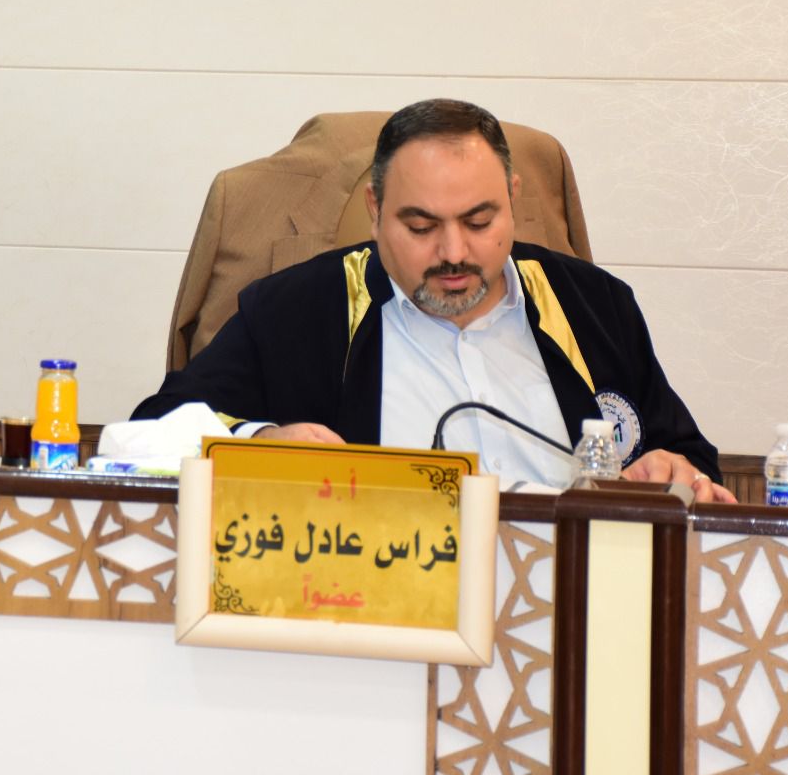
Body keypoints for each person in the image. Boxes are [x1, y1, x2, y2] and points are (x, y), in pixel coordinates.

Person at [133, 99, 734, 501]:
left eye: (479, 221)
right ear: (375, 211)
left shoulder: (593, 305)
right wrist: (262, 443)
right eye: (421, 226)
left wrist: (671, 471)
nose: (453, 252)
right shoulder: (294, 311)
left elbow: (690, 461)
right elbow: (147, 435)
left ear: (512, 198)